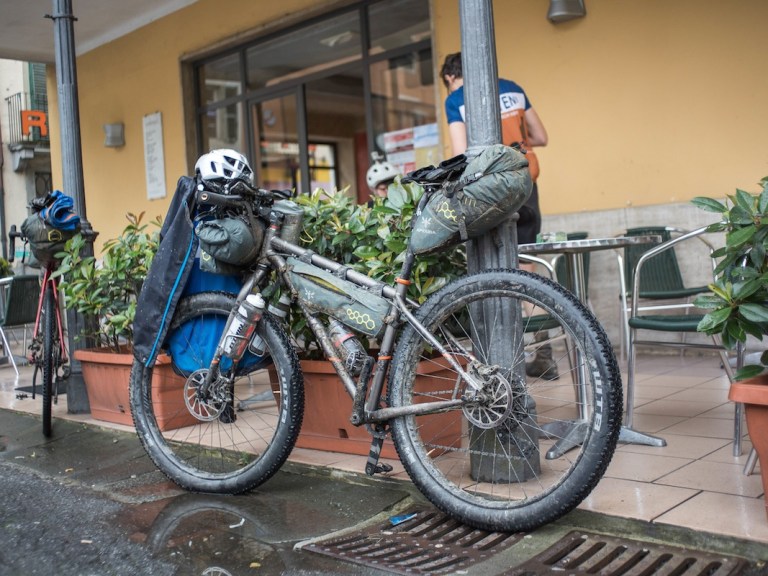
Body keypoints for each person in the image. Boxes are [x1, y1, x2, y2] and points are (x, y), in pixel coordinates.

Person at [441, 52, 557, 380]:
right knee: (526, 266)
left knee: (490, 268)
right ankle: (543, 351)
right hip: (526, 183)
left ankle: (502, 357)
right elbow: (541, 137)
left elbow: (462, 153)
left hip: (492, 190)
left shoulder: (457, 99)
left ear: (450, 77)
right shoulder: (513, 89)